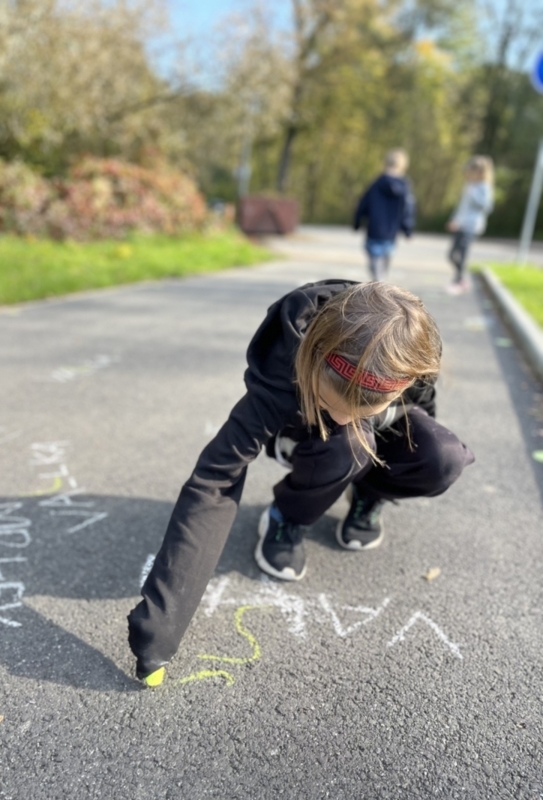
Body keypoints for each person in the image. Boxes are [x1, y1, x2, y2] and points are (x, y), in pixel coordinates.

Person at [128, 280, 474, 682]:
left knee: (441, 456)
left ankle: (368, 493)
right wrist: (162, 625)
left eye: (361, 410)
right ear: (311, 357)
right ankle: (286, 516)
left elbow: (422, 426)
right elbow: (215, 480)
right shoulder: (285, 363)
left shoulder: (412, 357)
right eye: (330, 404)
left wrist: (393, 453)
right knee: (350, 443)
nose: (341, 417)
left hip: (367, 436)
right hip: (301, 437)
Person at [353, 149, 415, 281]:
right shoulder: (405, 186)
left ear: (385, 163)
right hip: (391, 233)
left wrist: (357, 222)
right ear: (403, 166)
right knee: (385, 261)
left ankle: (378, 282)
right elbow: (408, 209)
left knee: (375, 262)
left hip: (374, 230)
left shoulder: (376, 184)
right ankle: (380, 283)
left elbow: (363, 204)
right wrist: (407, 228)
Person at [446, 156, 494, 295]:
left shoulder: (484, 187)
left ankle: (458, 281)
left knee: (462, 254)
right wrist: (454, 219)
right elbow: (462, 207)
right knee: (451, 255)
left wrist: (474, 195)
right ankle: (461, 279)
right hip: (460, 224)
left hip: (472, 226)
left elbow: (486, 206)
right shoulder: (469, 185)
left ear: (480, 172)